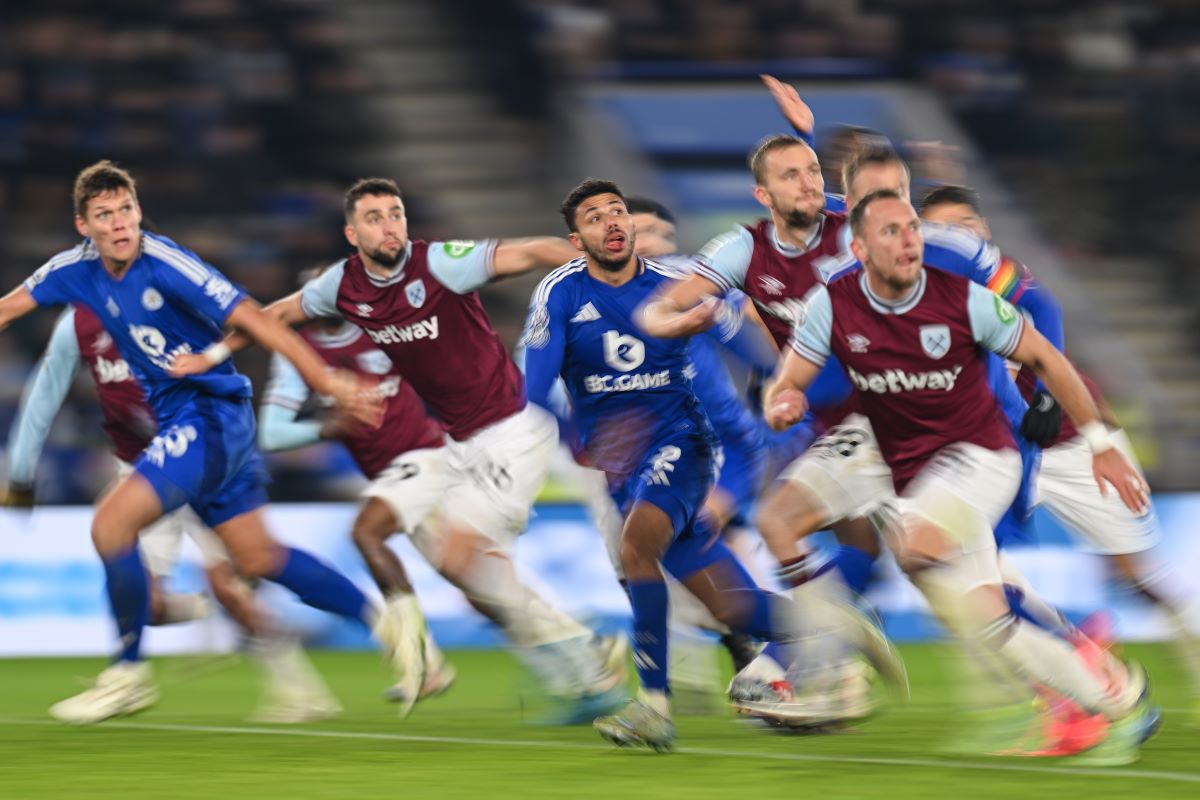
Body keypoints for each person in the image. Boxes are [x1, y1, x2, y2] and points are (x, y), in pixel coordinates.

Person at [177, 177, 627, 719]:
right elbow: (272, 316)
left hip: (512, 429)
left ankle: (581, 649)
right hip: (459, 444)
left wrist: (600, 270)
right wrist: (209, 356)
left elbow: (530, 252)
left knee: (459, 558)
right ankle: (586, 666)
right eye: (374, 218)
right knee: (472, 579)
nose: (389, 226)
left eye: (395, 215)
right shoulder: (341, 286)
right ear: (352, 233)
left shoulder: (440, 264)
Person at [0, 160, 403, 725]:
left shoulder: (167, 264)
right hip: (180, 435)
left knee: (110, 526)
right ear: (82, 226)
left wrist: (327, 381)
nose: (119, 224)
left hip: (207, 417)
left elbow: (256, 321)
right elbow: (9, 312)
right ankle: (393, 625)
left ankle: (128, 674)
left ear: (139, 212)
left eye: (125, 210)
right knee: (257, 557)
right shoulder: (74, 278)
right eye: (104, 215)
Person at [765, 188, 1160, 764]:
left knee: (918, 548)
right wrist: (783, 400)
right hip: (887, 447)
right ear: (859, 248)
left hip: (974, 453)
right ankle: (1117, 697)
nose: (907, 243)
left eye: (912, 230)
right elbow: (792, 378)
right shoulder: (832, 303)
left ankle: (841, 650)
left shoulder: (966, 300)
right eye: (891, 232)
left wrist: (1100, 441)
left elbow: (1048, 357)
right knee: (779, 520)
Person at [525, 178, 813, 751]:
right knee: (726, 604)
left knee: (636, 550)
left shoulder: (676, 287)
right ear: (576, 239)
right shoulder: (559, 292)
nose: (610, 221)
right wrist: (577, 437)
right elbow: (532, 389)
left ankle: (654, 706)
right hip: (618, 468)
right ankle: (827, 627)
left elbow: (758, 352)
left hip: (683, 444)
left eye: (617, 211)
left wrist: (788, 389)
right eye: (593, 216)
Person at [920, 184, 1200, 705]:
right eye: (944, 228)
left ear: (984, 231)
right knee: (976, 571)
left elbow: (1048, 335)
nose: (959, 235)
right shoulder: (924, 298)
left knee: (1134, 576)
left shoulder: (1008, 281)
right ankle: (1066, 684)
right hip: (999, 451)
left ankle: (1182, 642)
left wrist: (1076, 420)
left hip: (1071, 444)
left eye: (967, 223)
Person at [3, 304, 339, 723]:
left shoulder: (169, 300)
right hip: (141, 473)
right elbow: (43, 393)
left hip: (202, 461)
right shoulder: (78, 323)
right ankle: (208, 612)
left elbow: (234, 342)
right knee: (153, 607)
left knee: (231, 584)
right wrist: (20, 474)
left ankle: (301, 692)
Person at [258, 307, 455, 715]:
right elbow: (271, 434)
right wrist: (328, 428)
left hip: (431, 458)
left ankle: (421, 660)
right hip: (388, 476)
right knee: (476, 578)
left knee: (369, 535)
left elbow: (448, 371)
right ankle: (427, 664)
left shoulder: (390, 328)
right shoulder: (299, 351)